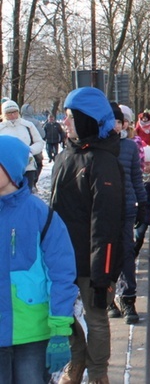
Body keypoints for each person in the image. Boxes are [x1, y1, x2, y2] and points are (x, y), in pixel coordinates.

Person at [49, 87, 125, 384]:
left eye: (69, 117)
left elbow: (105, 222)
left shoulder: (102, 161)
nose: (64, 122)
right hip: (60, 255)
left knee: (95, 318)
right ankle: (77, 359)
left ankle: (98, 374)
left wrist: (102, 273)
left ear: (86, 120)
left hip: (91, 258)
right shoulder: (66, 154)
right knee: (60, 313)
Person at [0, 136, 78, 383]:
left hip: (32, 336)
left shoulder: (41, 215)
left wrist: (59, 330)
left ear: (11, 169)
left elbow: (62, 275)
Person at [106, 103, 149, 325]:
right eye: (111, 121)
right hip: (104, 209)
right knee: (105, 255)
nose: (115, 125)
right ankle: (107, 298)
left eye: (119, 121)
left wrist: (142, 204)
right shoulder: (99, 146)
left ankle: (128, 298)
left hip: (127, 206)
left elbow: (136, 177)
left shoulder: (130, 147)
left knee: (126, 252)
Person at [0, 100, 44, 193]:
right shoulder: (1, 129)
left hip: (28, 167)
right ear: (3, 114)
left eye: (15, 112)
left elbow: (39, 142)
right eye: (9, 113)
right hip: (8, 170)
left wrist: (29, 151)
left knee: (26, 194)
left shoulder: (27, 126)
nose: (12, 116)